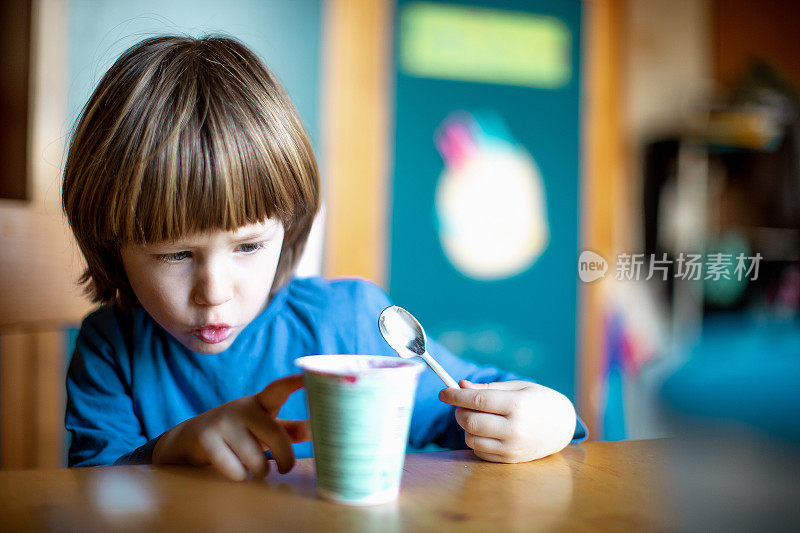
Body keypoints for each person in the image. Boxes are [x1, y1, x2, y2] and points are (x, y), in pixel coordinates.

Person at [62, 35, 586, 481]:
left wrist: (553, 417)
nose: (215, 290)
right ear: (111, 246)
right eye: (176, 254)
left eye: (248, 246)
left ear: (287, 229)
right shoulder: (111, 349)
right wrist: (167, 453)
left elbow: (477, 406)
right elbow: (90, 496)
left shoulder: (352, 323)